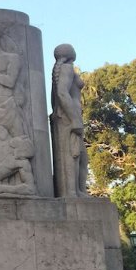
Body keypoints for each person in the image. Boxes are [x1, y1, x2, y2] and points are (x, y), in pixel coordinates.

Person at [51, 43, 89, 197]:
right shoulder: (66, 68)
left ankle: (79, 191)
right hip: (69, 118)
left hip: (68, 116)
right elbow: (61, 93)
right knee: (72, 155)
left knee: (81, 158)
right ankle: (72, 193)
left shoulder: (61, 69)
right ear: (69, 52)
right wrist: (75, 120)